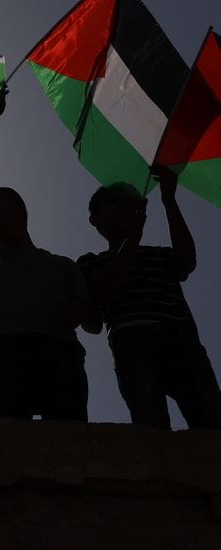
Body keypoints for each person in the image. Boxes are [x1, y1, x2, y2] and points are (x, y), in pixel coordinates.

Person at [0, 89, 94, 421]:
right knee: (13, 445)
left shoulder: (63, 267)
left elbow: (93, 321)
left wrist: (77, 311)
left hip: (59, 352)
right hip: (3, 350)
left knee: (69, 444)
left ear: (21, 214)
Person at [78, 171, 221, 429]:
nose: (121, 207)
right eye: (112, 202)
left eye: (124, 202)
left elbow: (186, 261)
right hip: (131, 341)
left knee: (211, 421)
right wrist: (133, 239)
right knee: (151, 428)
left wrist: (169, 200)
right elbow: (104, 299)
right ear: (94, 219)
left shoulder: (158, 254)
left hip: (180, 338)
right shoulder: (91, 261)